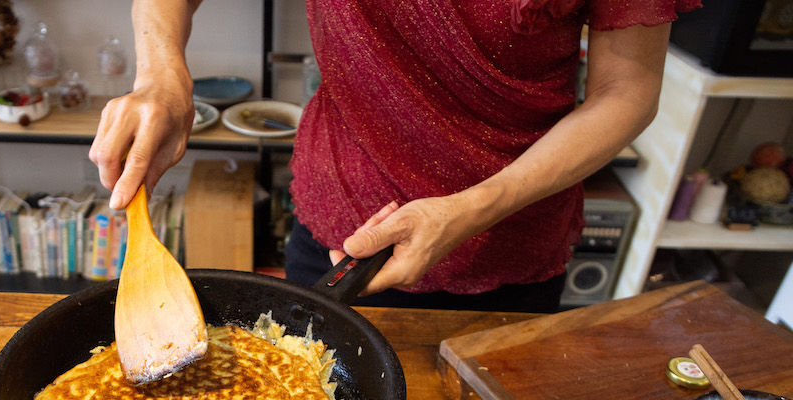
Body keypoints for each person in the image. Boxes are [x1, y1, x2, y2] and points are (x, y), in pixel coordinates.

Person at [89, 0, 702, 312]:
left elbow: (628, 91)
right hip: (339, 214)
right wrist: (163, 73)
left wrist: (471, 208)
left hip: (506, 234)